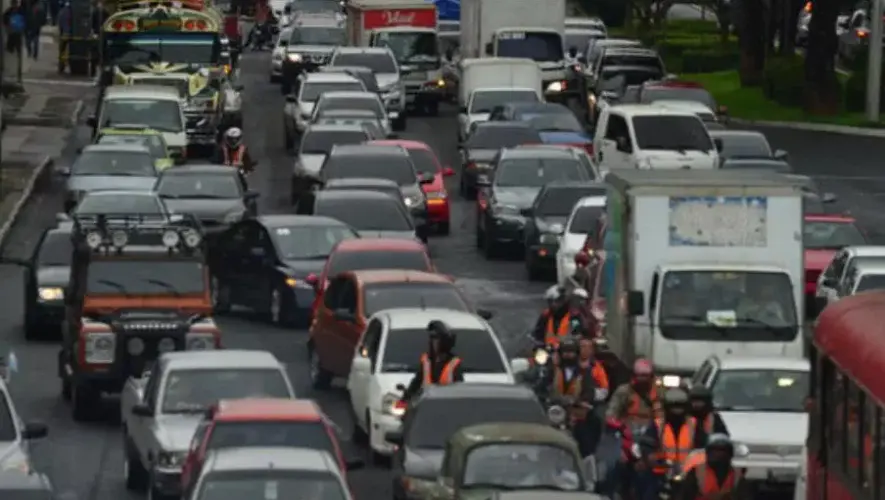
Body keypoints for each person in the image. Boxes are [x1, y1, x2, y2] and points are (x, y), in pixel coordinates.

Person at [638, 388, 696, 500]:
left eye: (680, 406)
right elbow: (647, 444)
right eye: (673, 406)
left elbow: (703, 447)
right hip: (662, 474)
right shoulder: (657, 425)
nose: (677, 410)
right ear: (666, 407)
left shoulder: (694, 424)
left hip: (690, 475)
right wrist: (652, 457)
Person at [547, 336, 597, 457]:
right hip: (554, 412)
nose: (568, 355)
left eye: (571, 352)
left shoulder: (585, 372)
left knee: (593, 425)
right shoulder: (552, 371)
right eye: (565, 352)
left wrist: (579, 401)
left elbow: (590, 392)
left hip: (576, 412)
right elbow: (543, 388)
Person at [402, 320, 464, 400]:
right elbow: (416, 383)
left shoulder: (454, 363)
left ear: (445, 342)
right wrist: (404, 400)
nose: (432, 342)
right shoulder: (426, 361)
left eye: (436, 338)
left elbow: (460, 390)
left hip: (447, 406)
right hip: (426, 406)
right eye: (431, 338)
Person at [679, 434, 749, 500]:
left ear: (730, 454)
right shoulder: (696, 472)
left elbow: (745, 496)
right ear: (708, 453)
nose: (718, 455)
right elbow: (685, 496)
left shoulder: (737, 475)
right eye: (714, 451)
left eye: (722, 451)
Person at [606, 358, 662, 431]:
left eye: (646, 376)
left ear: (651, 377)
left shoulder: (657, 393)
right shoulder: (624, 391)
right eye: (640, 376)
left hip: (650, 433)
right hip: (627, 430)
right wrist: (615, 423)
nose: (643, 379)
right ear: (634, 376)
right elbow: (612, 411)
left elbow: (661, 416)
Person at [688, 384, 729, 448]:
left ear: (706, 402)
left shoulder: (714, 418)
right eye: (694, 401)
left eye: (700, 401)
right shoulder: (685, 418)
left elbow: (723, 438)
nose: (696, 404)